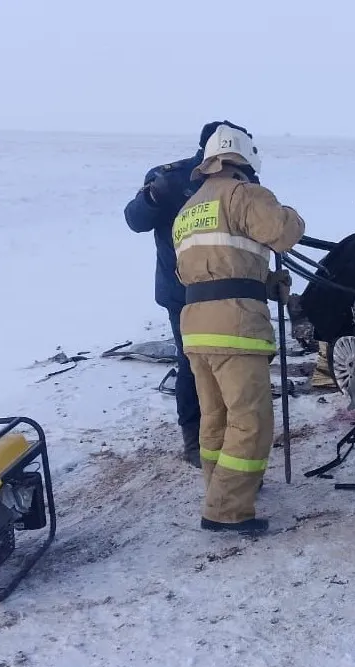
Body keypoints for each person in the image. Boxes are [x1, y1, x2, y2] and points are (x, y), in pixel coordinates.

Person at [173, 123, 304, 534]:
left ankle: (219, 489)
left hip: (195, 327)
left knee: (215, 418)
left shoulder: (189, 208)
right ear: (246, 159)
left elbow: (205, 270)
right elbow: (284, 233)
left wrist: (262, 283)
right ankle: (226, 510)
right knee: (251, 421)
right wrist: (289, 212)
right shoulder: (245, 194)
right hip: (235, 328)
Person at [124, 121, 248, 468]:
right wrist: (151, 197)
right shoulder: (171, 178)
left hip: (232, 289)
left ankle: (234, 436)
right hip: (184, 293)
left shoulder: (243, 178)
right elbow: (135, 220)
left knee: (237, 364)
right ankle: (196, 442)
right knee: (194, 366)